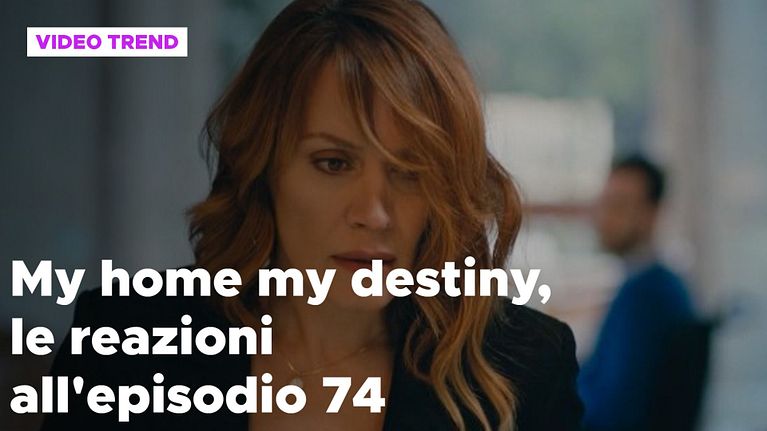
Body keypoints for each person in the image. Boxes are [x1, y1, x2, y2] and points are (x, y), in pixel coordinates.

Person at [41, 1, 583, 429]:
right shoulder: (124, 341)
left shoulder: (523, 368)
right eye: (333, 163)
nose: (374, 214)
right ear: (264, 169)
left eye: (409, 172)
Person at [579, 155, 697, 431]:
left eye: (619, 205)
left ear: (651, 214)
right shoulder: (659, 284)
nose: (604, 216)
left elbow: (612, 411)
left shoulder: (645, 295)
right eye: (604, 203)